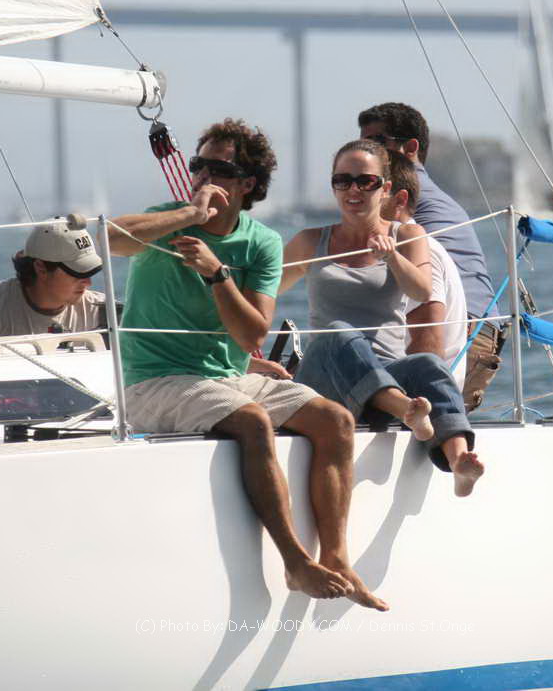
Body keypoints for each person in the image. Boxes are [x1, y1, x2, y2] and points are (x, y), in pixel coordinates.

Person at [106, 119, 387, 611]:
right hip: (153, 383)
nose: (203, 176)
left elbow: (253, 335)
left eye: (219, 169)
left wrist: (218, 275)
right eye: (198, 166)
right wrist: (189, 214)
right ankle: (295, 562)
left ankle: (337, 559)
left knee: (335, 419)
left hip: (227, 379)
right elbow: (110, 240)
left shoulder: (262, 243)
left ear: (247, 184)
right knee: (253, 421)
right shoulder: (165, 220)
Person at [282, 139, 484, 498]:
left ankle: (458, 463)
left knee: (427, 365)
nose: (353, 190)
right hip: (326, 381)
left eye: (366, 181)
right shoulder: (309, 241)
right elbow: (263, 292)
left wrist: (392, 258)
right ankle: (404, 408)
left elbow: (422, 289)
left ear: (386, 188)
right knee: (339, 333)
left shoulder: (407, 235)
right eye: (342, 181)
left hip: (387, 373)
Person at [358, 102, 504, 411]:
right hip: (468, 328)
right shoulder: (425, 198)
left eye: (377, 142)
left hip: (459, 333)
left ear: (411, 147)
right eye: (363, 143)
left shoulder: (408, 204)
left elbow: (428, 297)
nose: (367, 152)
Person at [381, 150, 468, 391]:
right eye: (342, 183)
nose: (353, 195)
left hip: (418, 394)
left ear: (399, 200)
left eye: (368, 186)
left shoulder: (417, 250)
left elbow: (428, 344)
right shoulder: (396, 245)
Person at [0, 215, 105, 338]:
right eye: (78, 273)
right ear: (41, 268)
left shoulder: (102, 310)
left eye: (90, 272)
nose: (88, 283)